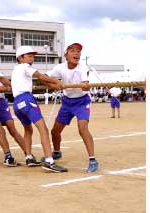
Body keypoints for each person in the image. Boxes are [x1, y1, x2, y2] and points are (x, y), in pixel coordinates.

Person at [12, 45, 67, 172]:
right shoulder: (25, 67)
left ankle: (29, 156)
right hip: (26, 100)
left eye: (33, 55)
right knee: (43, 129)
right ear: (21, 58)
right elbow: (40, 76)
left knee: (28, 130)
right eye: (29, 55)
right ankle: (49, 160)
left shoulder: (15, 70)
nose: (32, 58)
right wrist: (56, 82)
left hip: (17, 103)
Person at [48, 43, 99, 173]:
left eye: (78, 52)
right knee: (55, 132)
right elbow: (46, 78)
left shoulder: (82, 68)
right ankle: (57, 152)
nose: (76, 53)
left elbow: (85, 84)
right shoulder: (60, 68)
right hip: (67, 103)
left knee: (82, 129)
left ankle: (93, 160)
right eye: (72, 51)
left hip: (82, 102)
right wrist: (55, 84)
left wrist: (84, 85)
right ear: (66, 54)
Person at [0, 56, 35, 166]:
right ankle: (5, 155)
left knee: (12, 129)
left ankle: (27, 153)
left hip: (0, 103)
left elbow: (6, 86)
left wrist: (7, 87)